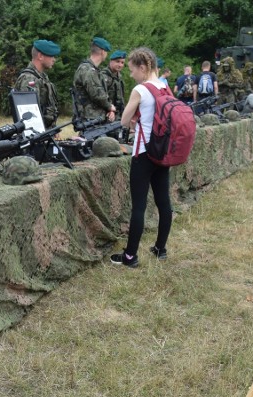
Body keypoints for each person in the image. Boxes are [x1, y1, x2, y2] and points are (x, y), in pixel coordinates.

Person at [110, 47, 172, 269]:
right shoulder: (164, 86)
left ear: (142, 67)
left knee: (139, 206)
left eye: (132, 69)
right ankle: (160, 249)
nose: (130, 74)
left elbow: (124, 120)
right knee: (164, 201)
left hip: (143, 153)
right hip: (162, 151)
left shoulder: (140, 89)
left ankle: (130, 256)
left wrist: (133, 116)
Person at [13, 39, 61, 128]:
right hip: (35, 133)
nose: (54, 60)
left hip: (45, 131)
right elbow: (28, 115)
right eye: (51, 56)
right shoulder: (29, 79)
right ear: (40, 56)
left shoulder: (42, 77)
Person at [73, 36, 116, 122]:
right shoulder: (88, 70)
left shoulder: (91, 69)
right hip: (90, 118)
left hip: (94, 117)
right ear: (103, 52)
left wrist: (109, 109)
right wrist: (110, 107)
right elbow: (97, 95)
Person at [101, 50, 127, 117]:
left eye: (122, 63)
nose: (120, 65)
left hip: (118, 114)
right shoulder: (103, 76)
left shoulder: (119, 78)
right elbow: (100, 97)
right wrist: (109, 110)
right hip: (106, 114)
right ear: (111, 61)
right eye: (117, 61)